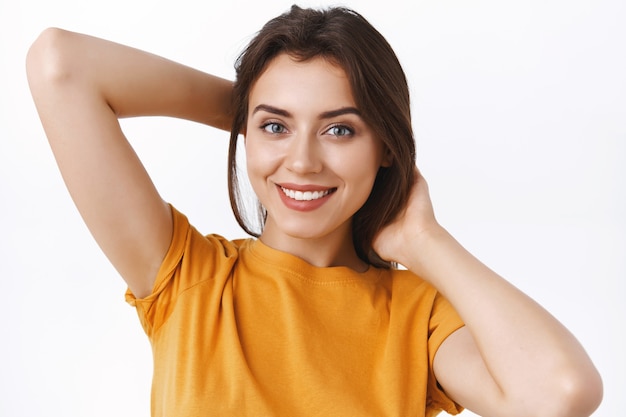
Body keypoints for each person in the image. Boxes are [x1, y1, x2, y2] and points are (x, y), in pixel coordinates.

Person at [26, 5, 602, 417]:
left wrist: (424, 239)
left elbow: (561, 395)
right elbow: (60, 63)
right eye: (275, 126)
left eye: (340, 129)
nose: (301, 161)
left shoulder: (419, 315)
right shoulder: (187, 277)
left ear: (385, 148)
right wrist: (246, 106)